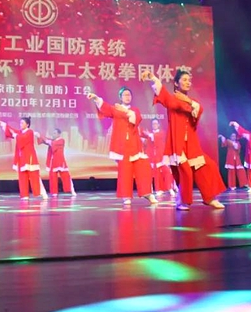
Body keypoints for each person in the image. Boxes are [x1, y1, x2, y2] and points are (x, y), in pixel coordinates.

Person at [141, 69, 225, 210]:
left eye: (189, 80)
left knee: (206, 166)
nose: (188, 82)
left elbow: (198, 110)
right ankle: (181, 201)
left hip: (191, 144)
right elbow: (162, 93)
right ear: (176, 83)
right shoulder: (172, 98)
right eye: (184, 80)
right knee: (185, 171)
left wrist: (189, 102)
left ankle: (209, 198)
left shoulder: (191, 102)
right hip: (177, 144)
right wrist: (152, 78)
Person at [87, 87, 158, 206]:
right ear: (120, 97)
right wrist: (96, 98)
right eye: (125, 95)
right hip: (122, 146)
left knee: (143, 168)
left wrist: (126, 111)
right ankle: (126, 196)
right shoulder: (115, 109)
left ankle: (147, 193)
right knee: (125, 171)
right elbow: (105, 108)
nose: (127, 97)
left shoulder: (135, 110)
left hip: (135, 144)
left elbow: (136, 119)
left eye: (129, 95)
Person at [0, 117, 48, 200]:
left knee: (34, 176)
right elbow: (11, 130)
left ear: (27, 124)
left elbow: (22, 139)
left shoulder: (30, 132)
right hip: (22, 158)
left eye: (22, 123)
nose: (20, 125)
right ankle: (24, 195)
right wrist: (1, 123)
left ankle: (43, 193)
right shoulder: (20, 133)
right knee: (22, 177)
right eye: (20, 123)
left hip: (30, 157)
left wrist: (15, 135)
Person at [142, 119, 176, 196]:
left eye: (155, 123)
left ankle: (170, 188)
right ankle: (158, 190)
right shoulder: (149, 135)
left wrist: (149, 135)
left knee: (166, 172)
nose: (154, 125)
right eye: (153, 124)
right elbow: (147, 144)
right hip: (153, 158)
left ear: (158, 125)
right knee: (156, 174)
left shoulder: (161, 133)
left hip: (162, 157)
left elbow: (156, 137)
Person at [41, 128, 76, 197]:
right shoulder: (52, 141)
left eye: (55, 133)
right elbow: (47, 142)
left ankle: (71, 190)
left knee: (66, 177)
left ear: (59, 134)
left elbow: (51, 143)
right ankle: (54, 192)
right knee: (53, 178)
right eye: (53, 133)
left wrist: (44, 139)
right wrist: (40, 137)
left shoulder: (61, 140)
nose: (53, 135)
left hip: (60, 161)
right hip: (53, 162)